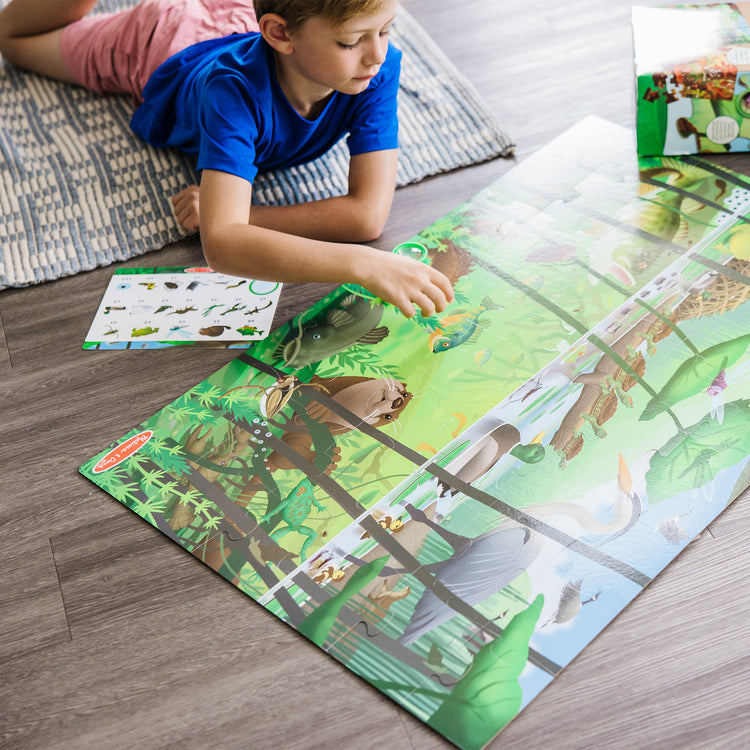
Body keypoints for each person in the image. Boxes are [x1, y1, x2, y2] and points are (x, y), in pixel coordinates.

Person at [0, 0, 454, 318]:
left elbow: (366, 217)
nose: (378, 54)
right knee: (14, 38)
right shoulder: (231, 91)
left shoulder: (378, 64)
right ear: (280, 34)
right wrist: (361, 263)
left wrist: (248, 214)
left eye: (387, 28)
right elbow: (223, 244)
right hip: (164, 38)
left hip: (239, 14)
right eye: (352, 41)